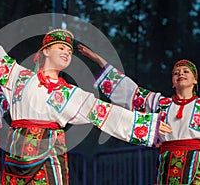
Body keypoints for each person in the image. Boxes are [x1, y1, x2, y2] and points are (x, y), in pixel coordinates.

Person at [0, 5, 172, 185]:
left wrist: (146, 123)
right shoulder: (18, 77)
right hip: (17, 154)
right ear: (45, 51)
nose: (67, 53)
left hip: (49, 153)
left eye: (69, 51)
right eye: (61, 48)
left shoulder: (68, 93)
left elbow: (103, 112)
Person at [78, 44, 200, 184]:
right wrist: (99, 60)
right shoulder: (160, 103)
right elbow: (130, 92)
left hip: (196, 164)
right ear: (172, 82)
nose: (181, 74)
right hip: (167, 164)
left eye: (186, 71)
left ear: (195, 80)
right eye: (176, 73)